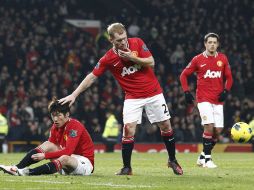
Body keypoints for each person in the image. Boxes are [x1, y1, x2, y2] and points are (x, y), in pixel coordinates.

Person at [59, 22, 183, 175]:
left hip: (153, 93)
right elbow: (91, 77)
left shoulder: (137, 42)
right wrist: (74, 94)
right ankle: (127, 167)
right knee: (128, 129)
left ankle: (172, 160)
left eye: (124, 38)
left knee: (166, 126)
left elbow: (151, 62)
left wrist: (133, 57)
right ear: (111, 40)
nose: (123, 42)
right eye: (119, 41)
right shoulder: (108, 58)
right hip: (132, 97)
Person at [0, 97, 94, 176]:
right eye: (53, 116)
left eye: (58, 115)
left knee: (65, 157)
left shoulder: (74, 126)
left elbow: (68, 151)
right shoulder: (55, 127)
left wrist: (45, 156)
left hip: (84, 164)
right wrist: (45, 154)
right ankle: (16, 167)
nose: (55, 119)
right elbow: (50, 148)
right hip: (65, 165)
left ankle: (27, 172)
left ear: (67, 115)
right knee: (48, 144)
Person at [180, 33, 233, 168]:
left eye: (215, 42)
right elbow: (183, 75)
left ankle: (202, 156)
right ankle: (207, 160)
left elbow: (229, 78)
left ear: (218, 44)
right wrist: (186, 92)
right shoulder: (198, 59)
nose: (212, 45)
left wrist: (226, 91)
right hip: (203, 99)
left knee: (217, 131)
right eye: (210, 42)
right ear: (205, 44)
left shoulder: (222, 58)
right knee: (208, 125)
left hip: (218, 100)